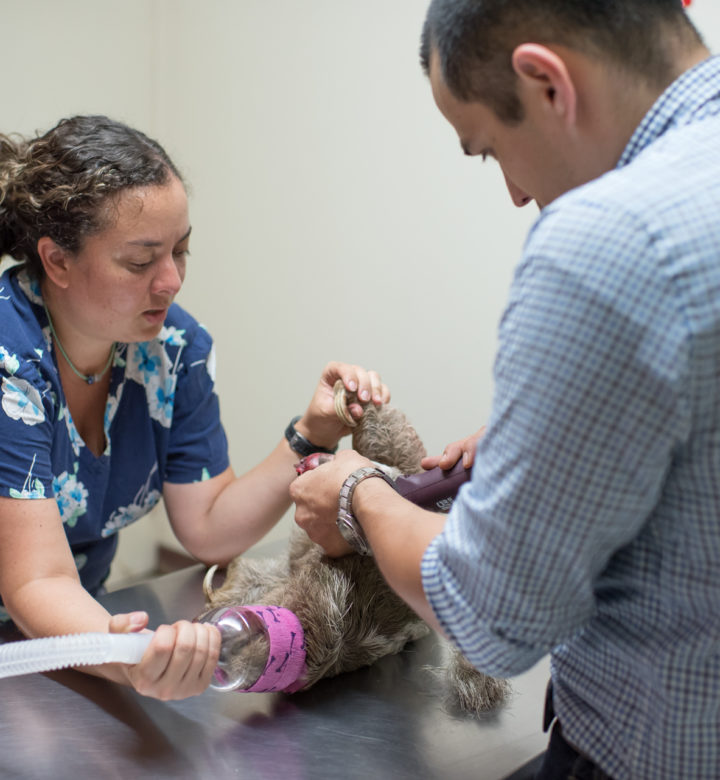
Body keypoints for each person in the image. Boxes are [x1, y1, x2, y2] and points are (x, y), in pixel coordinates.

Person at [290, 1, 720, 777]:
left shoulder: (610, 239)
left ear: (546, 82)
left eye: (488, 150)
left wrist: (360, 494)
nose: (517, 196)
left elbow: (497, 618)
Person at [0, 114, 389, 702]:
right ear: (56, 261)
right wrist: (125, 656)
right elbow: (36, 578)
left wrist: (311, 435)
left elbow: (208, 525)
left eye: (181, 251)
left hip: (71, 636)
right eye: (140, 262)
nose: (171, 281)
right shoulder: (9, 361)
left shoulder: (171, 351)